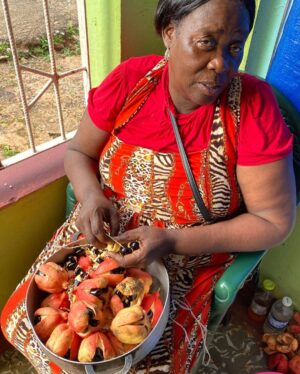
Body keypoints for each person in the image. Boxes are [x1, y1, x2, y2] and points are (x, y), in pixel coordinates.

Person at [1, 0, 296, 373]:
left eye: (234, 47)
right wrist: (91, 196)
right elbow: (78, 151)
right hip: (99, 239)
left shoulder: (253, 107)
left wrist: (172, 240)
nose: (222, 63)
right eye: (207, 42)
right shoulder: (131, 82)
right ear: (170, 32)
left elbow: (272, 222)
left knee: (142, 360)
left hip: (186, 257)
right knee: (27, 323)